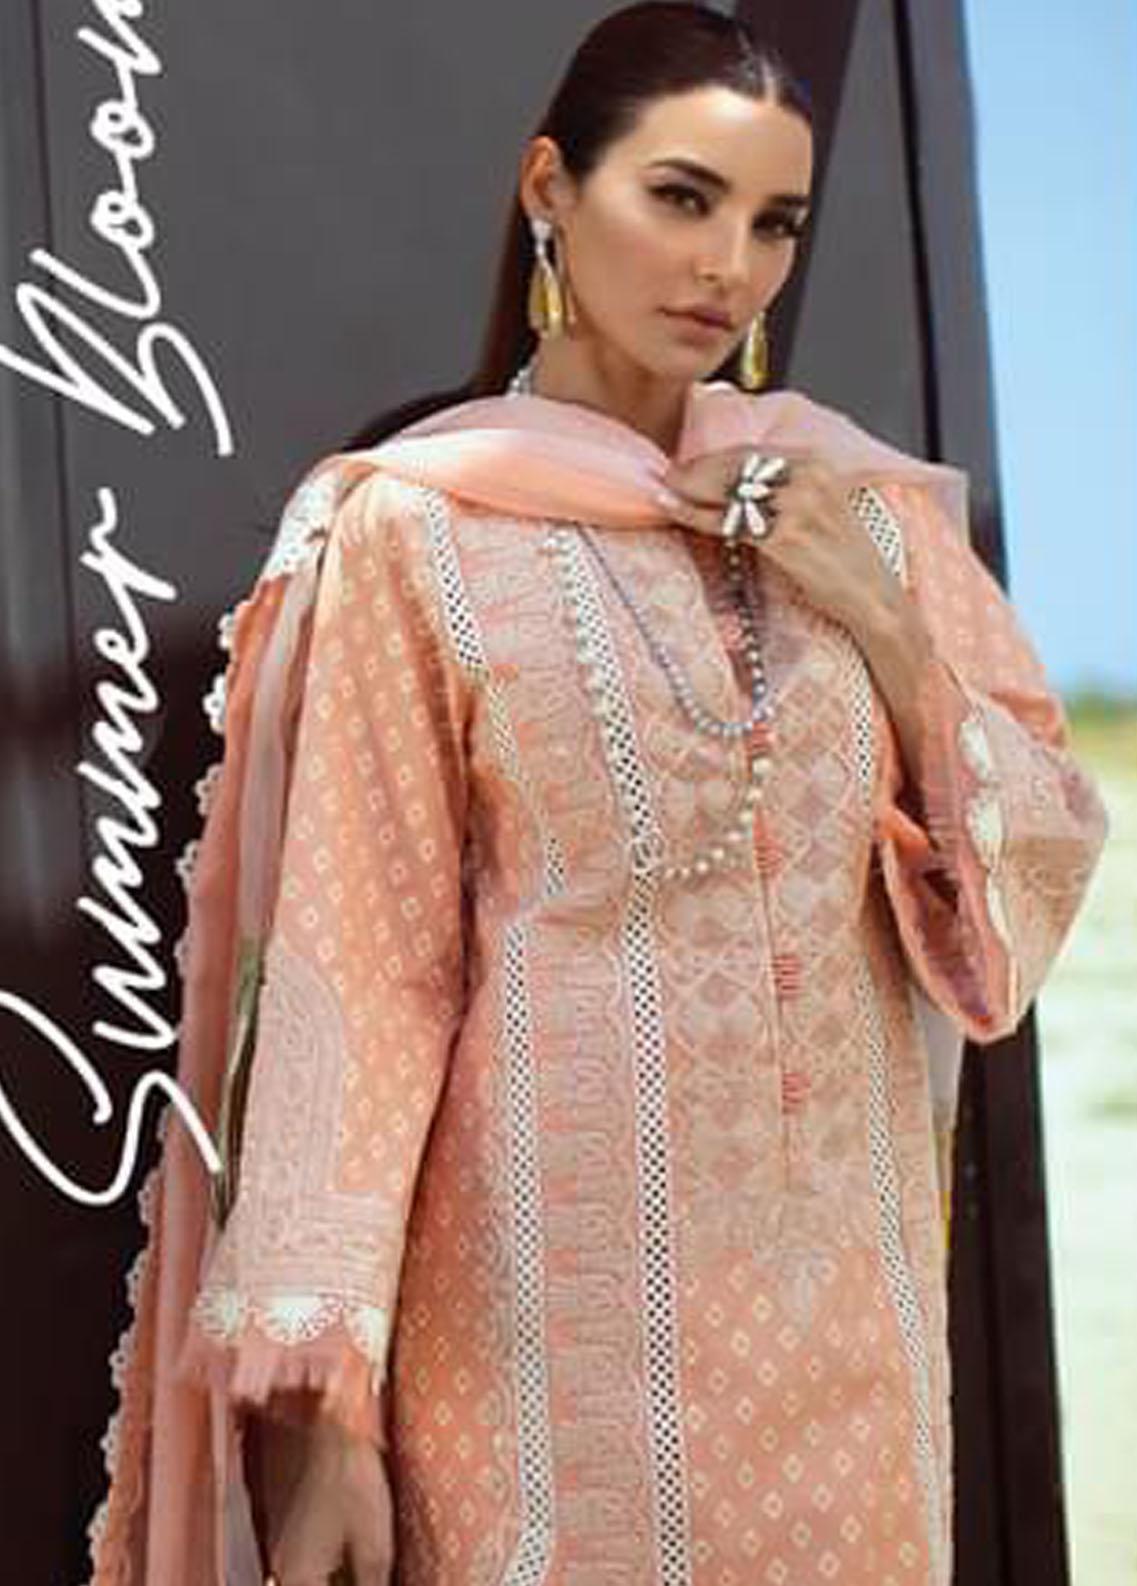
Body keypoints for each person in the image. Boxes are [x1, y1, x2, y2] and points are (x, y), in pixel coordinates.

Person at [81, 6, 1108, 1585]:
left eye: (772, 223)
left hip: (849, 1340)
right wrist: (330, 1421)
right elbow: (369, 964)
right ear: (551, 189)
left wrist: (885, 626)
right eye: (681, 198)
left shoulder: (861, 514)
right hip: (535, 1351)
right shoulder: (419, 526)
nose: (728, 267)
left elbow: (1028, 876)